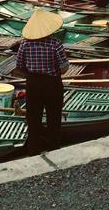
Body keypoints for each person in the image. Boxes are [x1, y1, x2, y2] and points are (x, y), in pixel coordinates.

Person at [14, 9, 68, 153]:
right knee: (54, 116)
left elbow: (19, 66)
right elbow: (64, 68)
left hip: (33, 82)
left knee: (33, 117)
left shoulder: (25, 44)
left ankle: (34, 148)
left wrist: (32, 73)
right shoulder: (55, 44)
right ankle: (54, 147)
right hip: (52, 83)